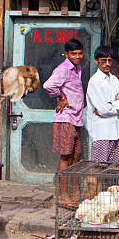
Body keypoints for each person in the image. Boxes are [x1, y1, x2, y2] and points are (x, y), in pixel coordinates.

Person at [43, 38, 85, 209]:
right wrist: (61, 97)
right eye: (73, 54)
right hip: (65, 118)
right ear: (66, 54)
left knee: (76, 157)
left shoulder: (77, 69)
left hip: (76, 118)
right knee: (65, 156)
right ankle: (62, 196)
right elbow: (48, 86)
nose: (77, 56)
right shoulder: (63, 69)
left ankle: (75, 195)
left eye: (80, 53)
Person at [86, 45, 119, 163]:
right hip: (100, 133)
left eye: (110, 60)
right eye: (103, 61)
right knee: (97, 170)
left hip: (114, 132)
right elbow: (104, 109)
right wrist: (116, 105)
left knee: (112, 171)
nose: (107, 64)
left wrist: (111, 104)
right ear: (96, 61)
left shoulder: (114, 79)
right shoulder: (95, 81)